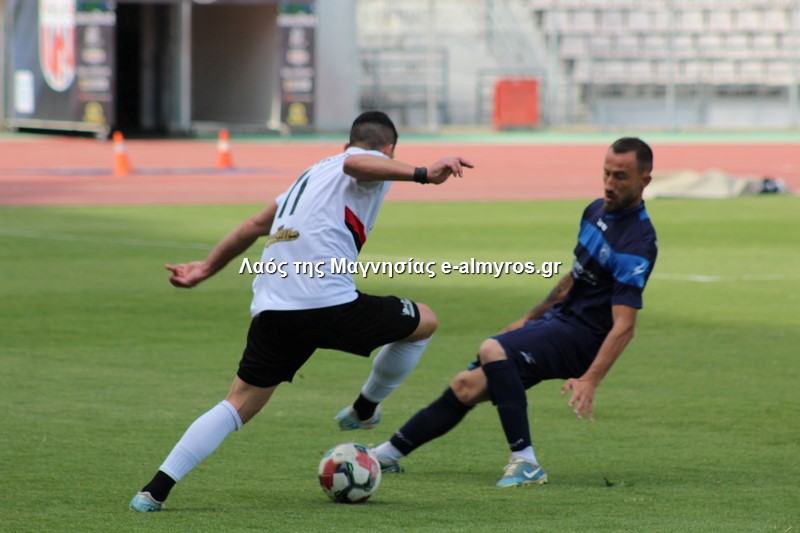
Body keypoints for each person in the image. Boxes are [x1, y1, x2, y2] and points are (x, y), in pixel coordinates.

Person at [129, 111, 474, 512]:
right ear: (389, 149)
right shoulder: (363, 163)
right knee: (425, 321)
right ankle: (365, 408)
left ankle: (153, 491)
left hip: (274, 308)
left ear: (345, 141)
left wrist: (205, 268)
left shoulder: (310, 176)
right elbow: (356, 165)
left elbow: (253, 225)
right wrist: (423, 174)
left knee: (237, 404)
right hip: (328, 302)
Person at [371, 137, 657, 487]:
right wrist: (530, 318)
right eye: (607, 173)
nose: (610, 183)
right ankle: (385, 456)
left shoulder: (637, 243)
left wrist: (591, 378)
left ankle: (526, 461)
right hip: (558, 322)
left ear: (644, 180)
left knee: (493, 349)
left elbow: (625, 326)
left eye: (621, 177)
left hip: (585, 338)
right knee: (466, 386)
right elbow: (574, 277)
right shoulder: (594, 210)